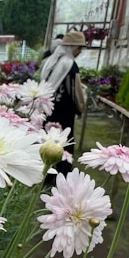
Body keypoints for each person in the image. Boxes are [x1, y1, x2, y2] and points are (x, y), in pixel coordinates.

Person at [40, 30, 86, 176]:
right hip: (65, 112)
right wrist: (80, 107)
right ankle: (63, 172)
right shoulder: (70, 65)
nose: (79, 52)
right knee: (64, 142)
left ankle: (46, 172)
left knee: (47, 140)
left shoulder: (51, 61)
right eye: (79, 48)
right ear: (72, 47)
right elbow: (75, 91)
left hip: (48, 108)